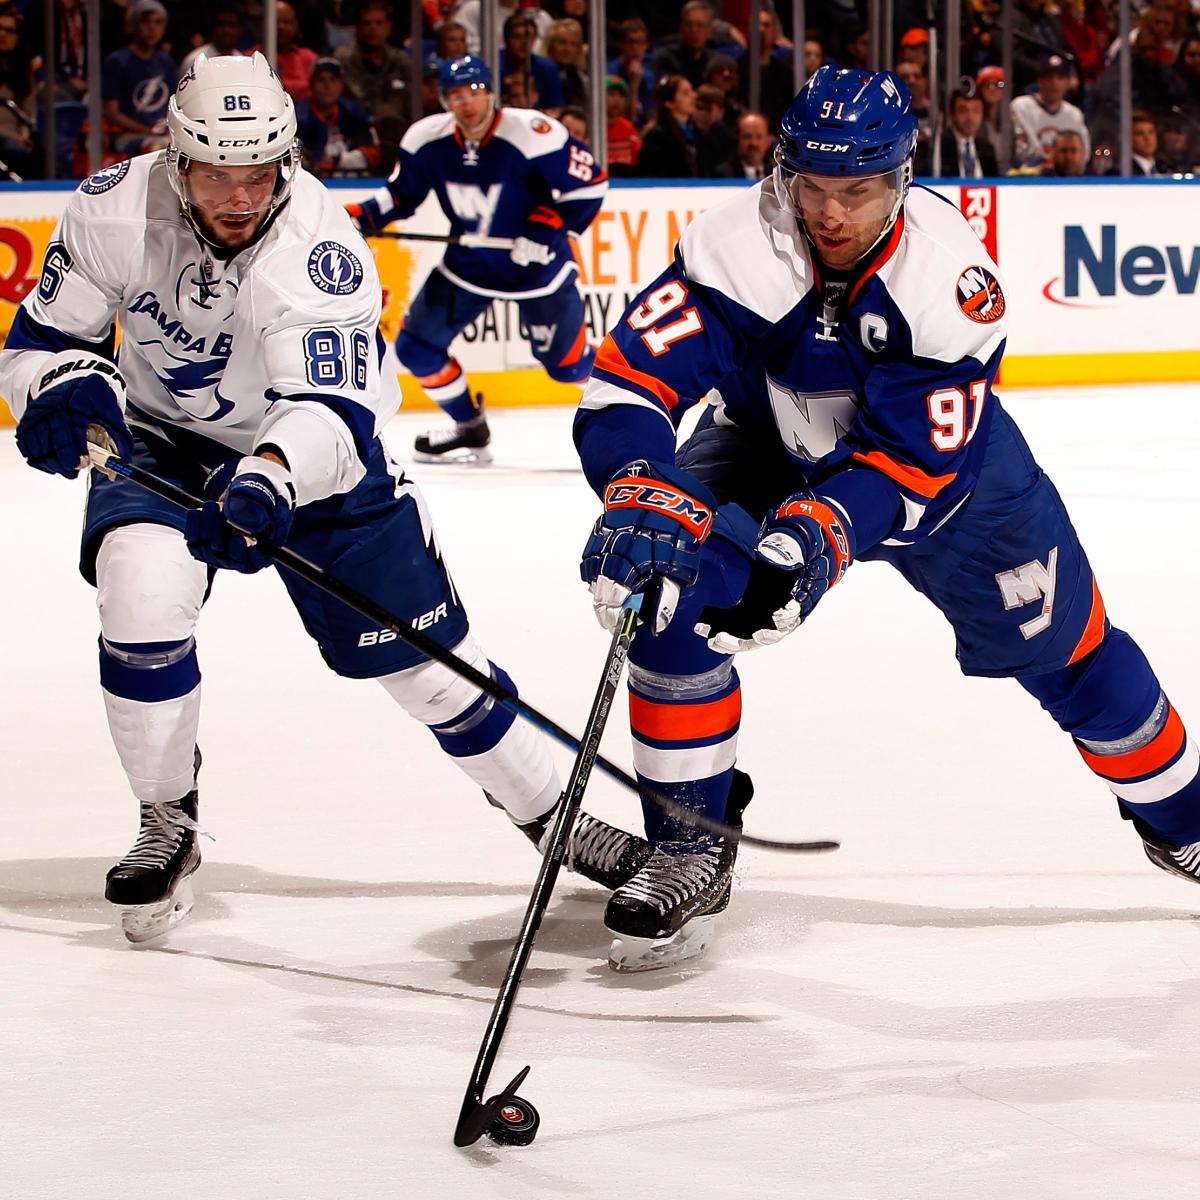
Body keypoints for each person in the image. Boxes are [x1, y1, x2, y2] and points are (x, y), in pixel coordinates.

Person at [0, 53, 646, 944]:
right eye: (216, 173)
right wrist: (66, 384)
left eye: (258, 172)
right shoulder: (112, 204)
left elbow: (330, 409)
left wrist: (267, 480)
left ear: (287, 161)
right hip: (163, 438)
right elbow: (37, 341)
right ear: (176, 157)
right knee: (140, 596)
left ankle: (554, 813)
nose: (238, 196)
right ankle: (165, 817)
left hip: (315, 455)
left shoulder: (320, 244)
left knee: (420, 662)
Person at [573, 65, 1200, 972]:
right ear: (782, 172)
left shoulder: (951, 280)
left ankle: (1183, 820)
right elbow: (626, 381)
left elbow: (915, 465)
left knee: (1070, 659)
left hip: (955, 487)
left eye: (857, 191)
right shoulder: (734, 246)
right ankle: (687, 844)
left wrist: (813, 538)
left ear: (901, 179)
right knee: (671, 592)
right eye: (813, 188)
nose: (830, 214)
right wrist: (638, 479)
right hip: (763, 442)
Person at [347, 55, 606, 462]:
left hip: (537, 269)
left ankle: (634, 402)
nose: (467, 102)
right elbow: (401, 196)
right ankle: (470, 428)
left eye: (475, 91)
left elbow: (590, 184)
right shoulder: (425, 140)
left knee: (569, 367)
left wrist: (543, 228)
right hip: (469, 266)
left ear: (491, 92)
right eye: (455, 94)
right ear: (444, 99)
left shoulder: (536, 133)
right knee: (415, 348)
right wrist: (359, 215)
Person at [101, 0, 177, 156]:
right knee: (158, 149)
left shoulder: (166, 62)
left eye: (158, 23)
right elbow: (112, 113)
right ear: (134, 24)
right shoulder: (117, 61)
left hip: (162, 133)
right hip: (126, 135)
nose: (152, 28)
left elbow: (175, 105)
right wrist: (148, 131)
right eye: (146, 21)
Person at [296, 57, 382, 178]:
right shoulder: (299, 118)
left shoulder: (355, 113)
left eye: (333, 79)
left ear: (342, 85)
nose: (327, 86)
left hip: (354, 183)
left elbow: (375, 154)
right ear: (311, 85)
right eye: (321, 80)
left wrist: (339, 161)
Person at [1011, 55, 1090, 170]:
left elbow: (1084, 154)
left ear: (1068, 82)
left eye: (1060, 78)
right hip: (1031, 178)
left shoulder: (1074, 114)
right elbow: (1024, 153)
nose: (1054, 83)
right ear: (1039, 80)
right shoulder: (1021, 106)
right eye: (1048, 77)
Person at [916, 87, 998, 177]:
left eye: (976, 111)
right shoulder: (936, 147)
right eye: (963, 111)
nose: (970, 117)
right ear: (952, 114)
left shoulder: (987, 149)